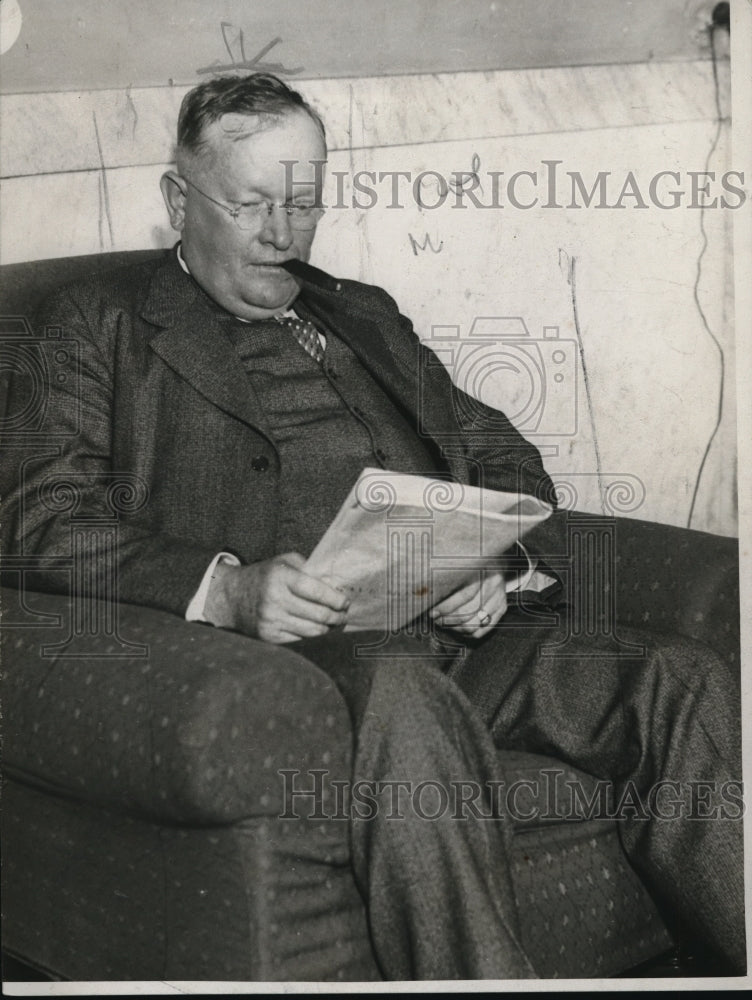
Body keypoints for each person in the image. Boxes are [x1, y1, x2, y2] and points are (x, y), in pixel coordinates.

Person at [1, 73, 745, 979]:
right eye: (251, 205)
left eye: (305, 202)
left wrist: (492, 561)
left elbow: (506, 459)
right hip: (315, 655)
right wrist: (226, 586)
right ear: (177, 199)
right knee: (404, 697)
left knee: (679, 676)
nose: (283, 232)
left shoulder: (362, 312)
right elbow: (39, 518)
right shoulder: (91, 326)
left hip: (460, 631)